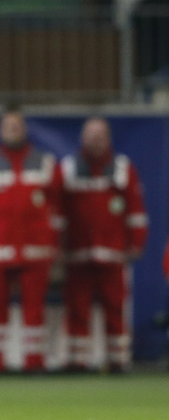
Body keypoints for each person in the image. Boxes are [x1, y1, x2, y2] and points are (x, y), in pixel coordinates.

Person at [0, 109, 62, 373]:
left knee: (35, 310)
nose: (13, 130)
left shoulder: (46, 163)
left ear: (25, 129)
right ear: (0, 130)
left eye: (17, 126)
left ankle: (35, 362)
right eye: (8, 126)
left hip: (35, 250)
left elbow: (54, 205)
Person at [61, 117, 148, 373]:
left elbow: (135, 211)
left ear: (108, 138)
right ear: (82, 138)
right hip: (78, 254)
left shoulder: (122, 168)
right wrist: (59, 246)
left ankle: (118, 359)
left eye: (99, 135)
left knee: (116, 307)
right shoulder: (68, 168)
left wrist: (137, 241)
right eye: (90, 135)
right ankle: (78, 360)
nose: (95, 141)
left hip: (113, 253)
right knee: (77, 308)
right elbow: (58, 213)